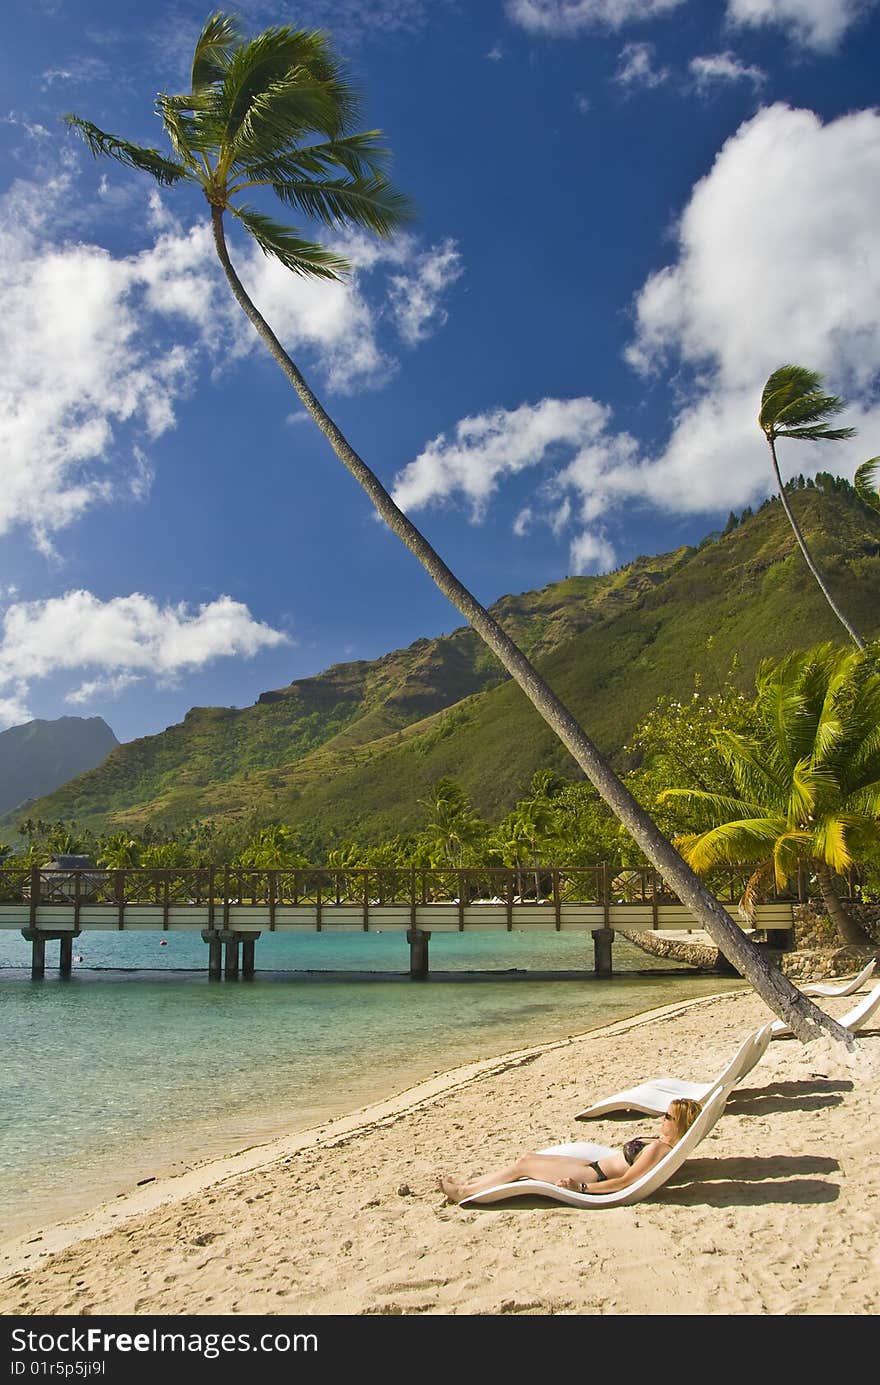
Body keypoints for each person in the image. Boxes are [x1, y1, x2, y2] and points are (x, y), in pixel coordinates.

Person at [438, 1097, 702, 1203]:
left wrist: (581, 1188)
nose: (661, 1119)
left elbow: (624, 1182)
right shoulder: (662, 1144)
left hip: (593, 1177)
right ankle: (472, 1184)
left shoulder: (658, 1149)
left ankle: (464, 1192)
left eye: (667, 1117)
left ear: (679, 1123)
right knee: (529, 1158)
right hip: (593, 1166)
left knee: (523, 1166)